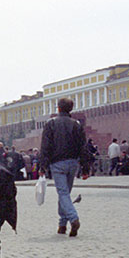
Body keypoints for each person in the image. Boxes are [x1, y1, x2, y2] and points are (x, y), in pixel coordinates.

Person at [39, 97, 88, 237]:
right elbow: (83, 147)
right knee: (65, 193)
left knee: (63, 193)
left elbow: (45, 147)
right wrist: (85, 168)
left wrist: (43, 166)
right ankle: (62, 225)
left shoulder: (51, 124)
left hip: (57, 164)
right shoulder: (76, 124)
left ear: (59, 108)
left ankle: (73, 219)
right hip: (73, 163)